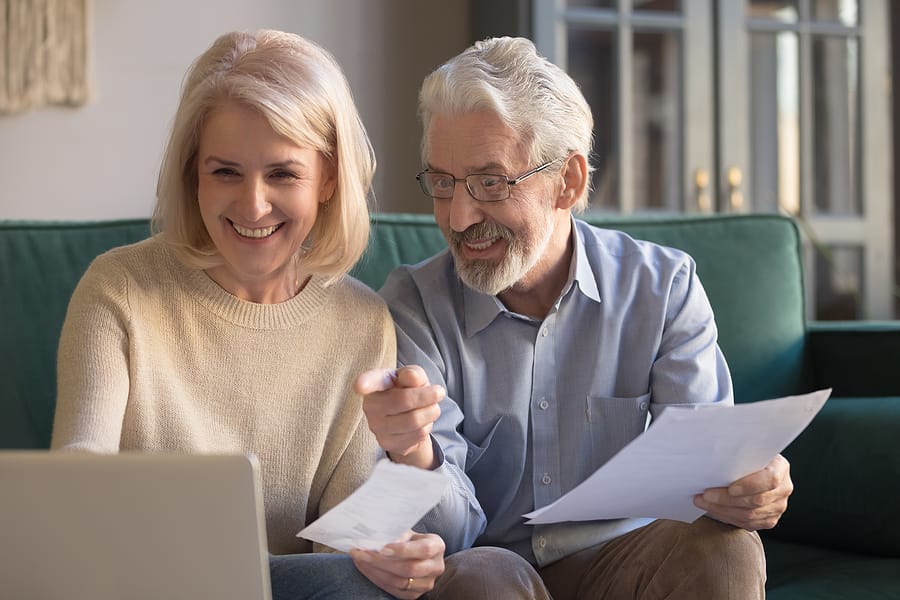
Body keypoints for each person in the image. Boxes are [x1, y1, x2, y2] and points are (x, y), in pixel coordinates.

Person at [355, 36, 793, 599]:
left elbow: (703, 482)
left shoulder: (662, 289)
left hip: (631, 560)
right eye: (443, 182)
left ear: (569, 181)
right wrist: (415, 455)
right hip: (493, 567)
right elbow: (445, 535)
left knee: (726, 548)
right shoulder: (412, 306)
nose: (460, 216)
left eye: (491, 182)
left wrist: (748, 485)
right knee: (481, 579)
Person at [50, 29, 465, 600]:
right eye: (225, 172)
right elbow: (77, 470)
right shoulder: (118, 289)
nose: (252, 205)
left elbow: (343, 552)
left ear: (327, 179)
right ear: (193, 173)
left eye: (282, 174)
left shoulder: (363, 323)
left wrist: (389, 556)